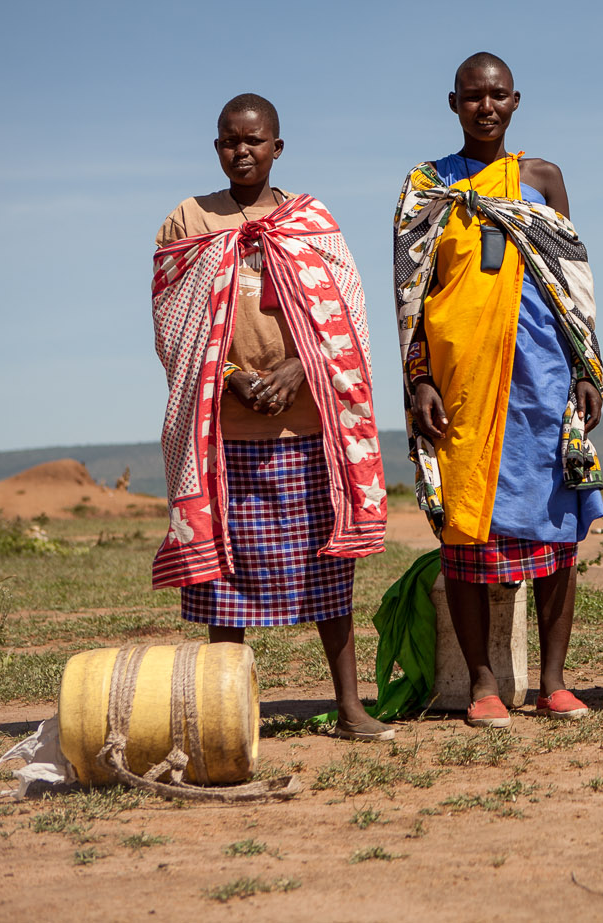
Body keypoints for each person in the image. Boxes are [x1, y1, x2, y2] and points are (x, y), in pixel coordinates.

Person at [152, 93, 392, 741]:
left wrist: (298, 368)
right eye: (230, 140)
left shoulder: (310, 220)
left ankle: (348, 707)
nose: (242, 151)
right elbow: (175, 329)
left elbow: (348, 317)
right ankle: (222, 717)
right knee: (221, 585)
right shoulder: (188, 220)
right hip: (223, 434)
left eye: (254, 141)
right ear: (216, 147)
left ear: (277, 147)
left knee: (326, 573)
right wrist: (230, 377)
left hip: (307, 427)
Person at [393, 53, 603, 727]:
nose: (486, 107)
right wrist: (419, 374)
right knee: (466, 533)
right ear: (453, 102)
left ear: (516, 102)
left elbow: (571, 285)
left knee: (557, 528)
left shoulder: (542, 179)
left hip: (542, 378)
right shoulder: (426, 189)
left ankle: (553, 680)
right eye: (473, 96)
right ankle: (484, 682)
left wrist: (585, 369)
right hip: (457, 385)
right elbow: (411, 297)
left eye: (498, 96)